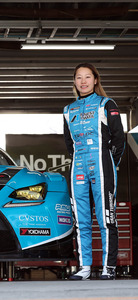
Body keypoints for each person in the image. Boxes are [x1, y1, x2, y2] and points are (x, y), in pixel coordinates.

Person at [63, 63, 125, 280]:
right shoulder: (68, 110)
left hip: (102, 167)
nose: (83, 82)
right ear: (74, 82)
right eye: (79, 78)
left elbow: (119, 138)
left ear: (95, 80)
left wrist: (109, 162)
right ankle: (85, 268)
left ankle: (109, 268)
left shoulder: (106, 104)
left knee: (106, 218)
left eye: (87, 77)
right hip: (77, 168)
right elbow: (69, 144)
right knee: (81, 220)